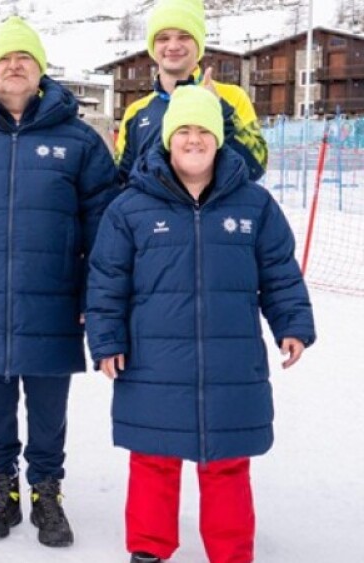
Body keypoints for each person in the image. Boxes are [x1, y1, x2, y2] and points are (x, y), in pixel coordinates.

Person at [86, 85, 316, 563]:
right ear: (169, 139)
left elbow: (279, 271)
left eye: (203, 131)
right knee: (153, 458)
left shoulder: (254, 205)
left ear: (219, 139)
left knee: (227, 464)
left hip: (229, 359)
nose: (194, 140)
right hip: (152, 358)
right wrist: (106, 341)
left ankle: (231, 552)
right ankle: (149, 548)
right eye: (184, 130)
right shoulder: (130, 208)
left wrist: (291, 324)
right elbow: (107, 279)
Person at [0, 16, 119, 544]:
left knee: (48, 407)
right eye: (5, 59)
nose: (15, 66)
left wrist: (92, 296)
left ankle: (47, 492)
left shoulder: (80, 141)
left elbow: (102, 226)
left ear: (40, 71)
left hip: (52, 298)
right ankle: (2, 489)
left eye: (25, 58)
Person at [114, 0, 267, 185]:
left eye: (184, 36)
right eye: (163, 38)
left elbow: (255, 167)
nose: (173, 46)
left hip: (214, 212)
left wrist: (220, 110)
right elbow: (121, 182)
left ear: (199, 44)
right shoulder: (136, 112)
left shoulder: (231, 97)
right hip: (154, 213)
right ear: (153, 47)